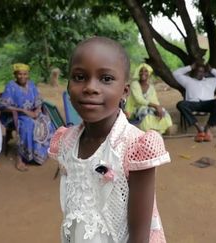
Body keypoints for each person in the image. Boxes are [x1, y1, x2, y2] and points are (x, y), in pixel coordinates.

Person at [49, 37, 169, 243]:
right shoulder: (66, 142)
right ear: (68, 86)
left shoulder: (135, 147)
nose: (90, 88)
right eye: (79, 77)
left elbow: (139, 236)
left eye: (105, 79)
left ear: (124, 91)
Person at [0, 63, 55, 171]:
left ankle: (40, 154)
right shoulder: (10, 86)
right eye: (19, 74)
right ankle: (21, 158)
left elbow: (38, 101)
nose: (22, 76)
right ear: (15, 75)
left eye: (25, 74)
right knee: (28, 125)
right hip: (15, 116)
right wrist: (24, 111)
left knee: (46, 121)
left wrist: (38, 110)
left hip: (32, 113)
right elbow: (3, 106)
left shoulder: (32, 84)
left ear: (28, 75)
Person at [173, 63, 216, 142]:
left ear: (205, 73)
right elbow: (175, 73)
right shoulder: (187, 80)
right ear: (194, 72)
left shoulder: (211, 81)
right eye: (197, 71)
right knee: (181, 104)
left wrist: (212, 70)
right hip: (193, 103)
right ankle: (199, 129)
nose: (199, 73)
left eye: (202, 71)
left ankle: (207, 128)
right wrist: (190, 67)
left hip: (208, 104)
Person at [125, 63, 173, 134]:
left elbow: (155, 100)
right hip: (134, 108)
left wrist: (158, 108)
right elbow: (139, 100)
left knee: (163, 113)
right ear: (138, 73)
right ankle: (150, 131)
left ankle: (158, 131)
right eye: (141, 71)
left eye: (146, 71)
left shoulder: (151, 87)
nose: (143, 73)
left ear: (149, 73)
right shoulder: (134, 84)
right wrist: (156, 106)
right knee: (145, 113)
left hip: (148, 107)